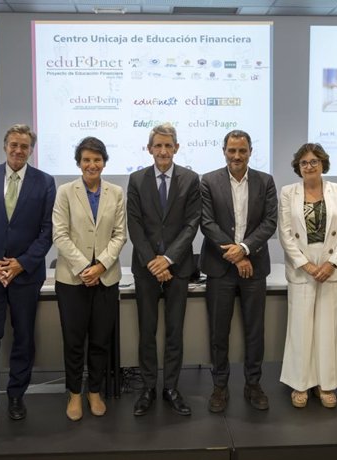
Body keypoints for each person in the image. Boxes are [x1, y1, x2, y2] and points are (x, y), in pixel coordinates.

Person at [0, 124, 56, 434]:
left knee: (23, 340)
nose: (18, 150)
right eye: (14, 145)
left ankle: (17, 395)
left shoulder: (44, 182)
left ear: (31, 150)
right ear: (5, 146)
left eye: (24, 146)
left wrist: (22, 264)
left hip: (25, 275)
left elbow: (47, 231)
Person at [200, 129, 277, 412]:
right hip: (220, 268)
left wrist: (244, 249)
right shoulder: (208, 181)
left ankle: (253, 384)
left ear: (250, 151)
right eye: (232, 150)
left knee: (254, 331)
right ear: (224, 151)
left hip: (254, 268)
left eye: (242, 151)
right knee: (219, 332)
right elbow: (207, 223)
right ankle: (219, 386)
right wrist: (235, 255)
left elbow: (270, 222)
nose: (236, 156)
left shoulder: (265, 181)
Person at [127, 123, 201, 416]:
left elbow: (191, 223)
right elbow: (134, 224)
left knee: (174, 331)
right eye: (158, 145)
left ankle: (171, 387)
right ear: (149, 149)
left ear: (176, 148)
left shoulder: (190, 179)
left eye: (168, 145)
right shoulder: (136, 180)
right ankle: (147, 388)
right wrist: (153, 262)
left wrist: (167, 259)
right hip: (146, 268)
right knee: (146, 331)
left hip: (178, 267)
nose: (163, 151)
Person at [53, 136, 126, 421]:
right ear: (79, 163)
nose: (92, 165)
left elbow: (120, 234)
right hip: (72, 280)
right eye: (86, 160)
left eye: (97, 160)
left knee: (100, 340)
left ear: (104, 162)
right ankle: (74, 394)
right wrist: (86, 267)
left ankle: (94, 391)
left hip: (106, 279)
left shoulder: (116, 192)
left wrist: (101, 266)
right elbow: (59, 234)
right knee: (73, 341)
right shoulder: (65, 192)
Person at [278, 143, 337, 409]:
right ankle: (300, 384)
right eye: (304, 162)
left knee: (327, 327)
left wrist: (332, 263)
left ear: (323, 164)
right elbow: (285, 233)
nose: (309, 166)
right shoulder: (288, 193)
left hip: (329, 267)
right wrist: (306, 265)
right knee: (300, 327)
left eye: (314, 161)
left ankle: (326, 384)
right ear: (298, 166)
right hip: (302, 268)